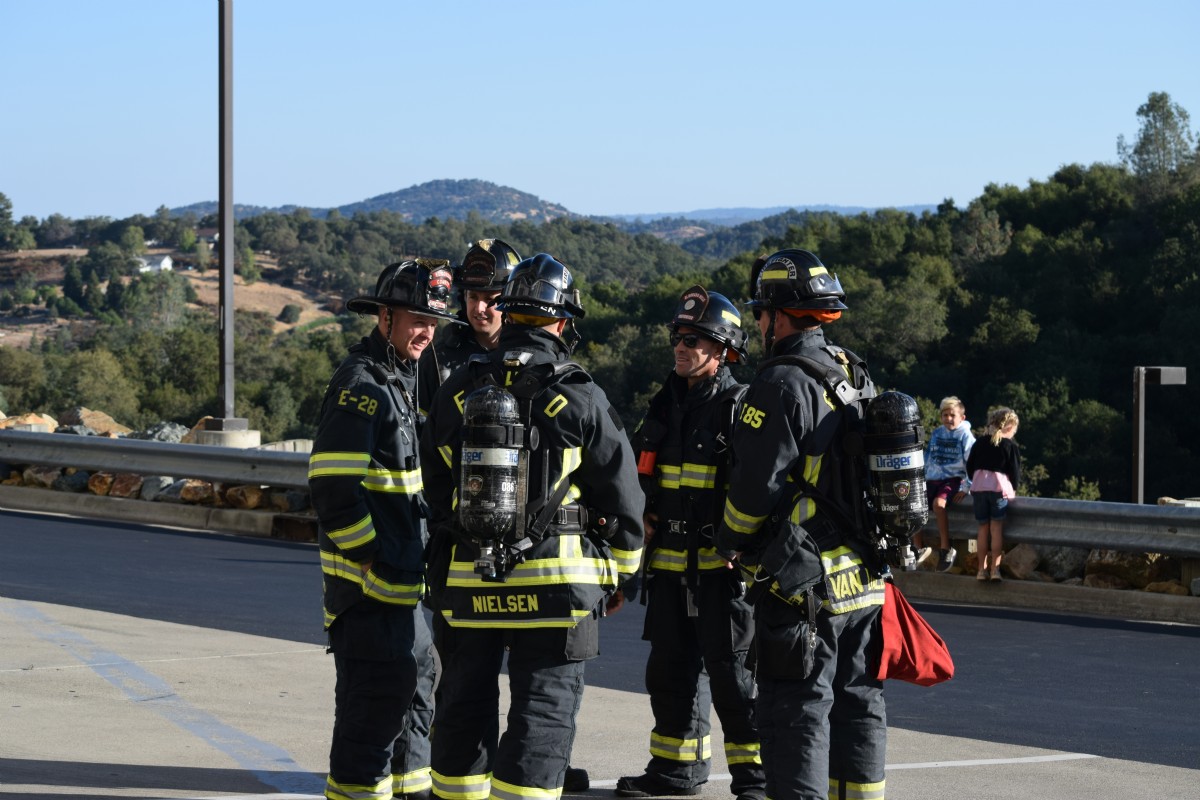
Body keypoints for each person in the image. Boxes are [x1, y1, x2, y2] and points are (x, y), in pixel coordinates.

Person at [419, 253, 645, 800]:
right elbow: (623, 496)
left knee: (462, 706)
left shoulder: (459, 388)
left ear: (509, 312)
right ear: (562, 323)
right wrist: (621, 575)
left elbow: (432, 481)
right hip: (556, 590)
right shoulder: (580, 395)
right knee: (542, 710)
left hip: (470, 584)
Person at [714, 249, 888, 800]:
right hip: (866, 578)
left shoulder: (781, 383)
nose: (758, 323)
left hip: (803, 586)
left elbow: (753, 490)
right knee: (859, 703)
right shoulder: (851, 370)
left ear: (780, 317)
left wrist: (730, 543)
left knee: (795, 712)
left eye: (761, 313)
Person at [309, 259, 457, 800]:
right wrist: (369, 556)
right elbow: (332, 487)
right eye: (417, 320)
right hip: (368, 593)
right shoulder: (362, 385)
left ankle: (410, 791)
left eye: (433, 323)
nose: (426, 332)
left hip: (401, 590)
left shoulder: (403, 381)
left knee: (415, 691)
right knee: (371, 712)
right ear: (385, 317)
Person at [618, 287, 765, 800]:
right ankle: (675, 771)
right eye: (678, 337)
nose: (681, 347)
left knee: (734, 678)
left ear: (722, 349)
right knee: (669, 673)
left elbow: (759, 488)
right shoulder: (665, 404)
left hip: (722, 572)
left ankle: (756, 780)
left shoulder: (739, 407)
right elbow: (640, 476)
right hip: (668, 568)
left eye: (694, 340)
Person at [417, 238, 522, 411]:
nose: (479, 308)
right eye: (473, 297)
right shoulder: (435, 362)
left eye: (489, 299)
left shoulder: (529, 359)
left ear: (510, 302)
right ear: (463, 298)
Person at [914, 396, 975, 572]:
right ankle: (917, 548)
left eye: (952, 415)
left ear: (962, 417)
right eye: (945, 415)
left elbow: (971, 462)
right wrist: (921, 477)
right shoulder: (937, 433)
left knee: (938, 504)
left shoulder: (965, 435)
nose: (948, 418)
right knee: (915, 503)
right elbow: (928, 456)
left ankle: (945, 548)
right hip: (933, 477)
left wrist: (967, 487)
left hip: (953, 478)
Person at [967, 407, 1021, 582]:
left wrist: (977, 480)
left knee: (983, 529)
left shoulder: (979, 443)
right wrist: (1014, 488)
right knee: (996, 530)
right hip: (998, 490)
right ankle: (995, 570)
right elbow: (1015, 472)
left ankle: (981, 571)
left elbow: (969, 466)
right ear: (1010, 427)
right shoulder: (1010, 446)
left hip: (978, 489)